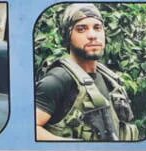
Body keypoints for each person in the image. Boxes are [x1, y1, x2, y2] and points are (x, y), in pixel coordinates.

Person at [36, 4, 134, 141]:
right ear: (68, 36)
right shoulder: (57, 80)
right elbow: (29, 129)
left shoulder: (108, 78)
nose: (92, 35)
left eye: (97, 28)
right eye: (81, 29)